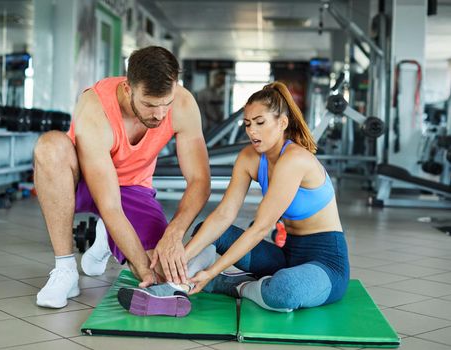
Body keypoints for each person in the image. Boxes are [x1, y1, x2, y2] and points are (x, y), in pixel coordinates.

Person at [119, 81, 349, 315]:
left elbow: (260, 228)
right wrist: (176, 261)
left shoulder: (295, 160)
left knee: (284, 290)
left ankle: (233, 285)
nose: (252, 131)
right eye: (248, 124)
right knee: (208, 230)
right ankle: (173, 286)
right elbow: (223, 215)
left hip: (326, 264)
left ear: (282, 123)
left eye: (260, 123)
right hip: (285, 256)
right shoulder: (249, 157)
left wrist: (211, 273)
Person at [34, 46, 211, 309]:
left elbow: (200, 180)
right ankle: (65, 269)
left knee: (164, 270)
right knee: (50, 146)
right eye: (150, 105)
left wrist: (174, 234)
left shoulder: (183, 104)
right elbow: (110, 206)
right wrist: (141, 268)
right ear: (128, 89)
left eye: (166, 104)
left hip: (131, 188)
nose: (160, 114)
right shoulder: (96, 108)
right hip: (78, 181)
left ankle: (105, 238)